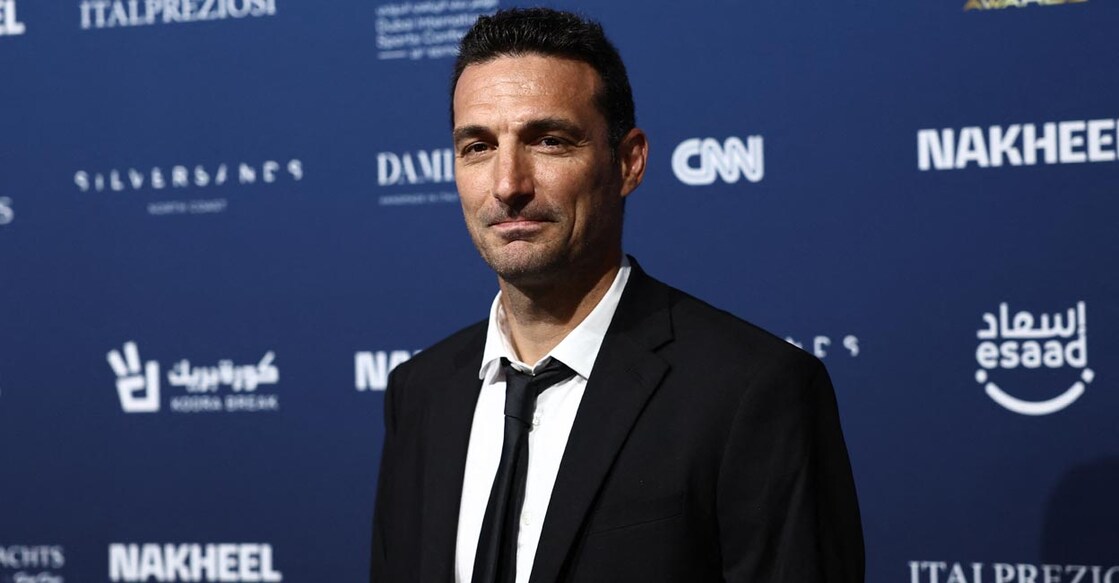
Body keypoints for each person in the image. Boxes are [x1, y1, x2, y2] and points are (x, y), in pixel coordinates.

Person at [370, 8, 864, 583]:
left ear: (629, 162)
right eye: (477, 147)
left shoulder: (753, 391)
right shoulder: (420, 392)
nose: (508, 184)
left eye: (550, 141)